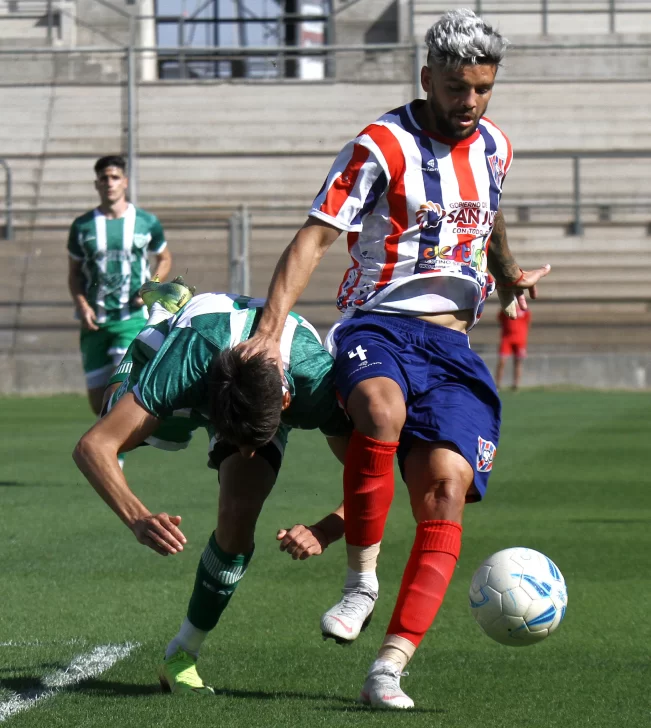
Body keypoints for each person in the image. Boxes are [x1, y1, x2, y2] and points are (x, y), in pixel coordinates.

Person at [236, 8, 551, 710]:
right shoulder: (380, 144)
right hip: (376, 324)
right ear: (426, 77)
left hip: (452, 345)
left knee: (443, 485)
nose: (467, 102)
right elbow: (315, 237)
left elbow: (489, 215)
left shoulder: (495, 145)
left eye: (481, 89)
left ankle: (389, 666)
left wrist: (507, 277)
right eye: (454, 87)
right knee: (379, 411)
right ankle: (360, 584)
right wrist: (269, 330)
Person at [72, 283, 350, 695]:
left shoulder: (317, 385)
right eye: (233, 438)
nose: (239, 451)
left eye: (249, 441)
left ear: (286, 405)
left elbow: (374, 480)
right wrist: (136, 517)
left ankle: (182, 654)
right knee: (113, 416)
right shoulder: (188, 363)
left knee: (239, 512)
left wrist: (327, 529)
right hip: (192, 344)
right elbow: (93, 446)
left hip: (255, 375)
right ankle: (166, 309)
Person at [67, 155, 172, 415]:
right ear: (97, 184)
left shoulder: (145, 222)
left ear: (124, 182)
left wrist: (151, 285)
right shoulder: (82, 226)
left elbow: (165, 258)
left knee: (117, 393)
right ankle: (113, 445)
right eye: (104, 178)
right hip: (96, 322)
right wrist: (82, 305)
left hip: (132, 318)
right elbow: (74, 274)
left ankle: (115, 453)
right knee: (97, 403)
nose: (109, 183)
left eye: (114, 177)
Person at [495, 306, 531, 390]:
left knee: (518, 362)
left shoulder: (524, 309)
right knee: (502, 361)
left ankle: (516, 384)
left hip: (520, 339)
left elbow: (528, 322)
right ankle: (497, 384)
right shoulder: (505, 308)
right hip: (507, 338)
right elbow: (500, 319)